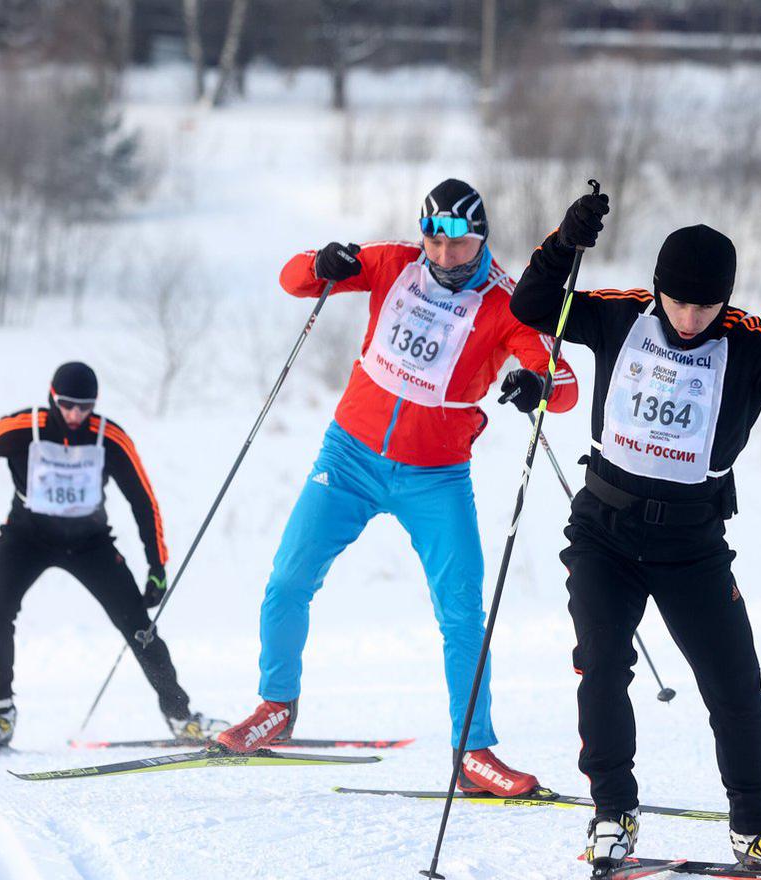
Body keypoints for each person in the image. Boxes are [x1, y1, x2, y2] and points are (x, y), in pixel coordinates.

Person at [508, 191, 761, 871]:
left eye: (706, 306)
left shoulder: (751, 345)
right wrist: (564, 243)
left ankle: (754, 827)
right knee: (603, 665)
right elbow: (530, 305)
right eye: (678, 302)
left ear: (727, 299)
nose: (690, 319)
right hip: (604, 532)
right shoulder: (621, 315)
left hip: (692, 546)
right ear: (658, 287)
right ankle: (613, 813)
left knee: (735, 685)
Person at [216, 179, 579, 797]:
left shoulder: (506, 301)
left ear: (482, 239)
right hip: (348, 459)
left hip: (435, 477)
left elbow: (563, 384)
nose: (443, 256)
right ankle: (275, 706)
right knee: (288, 580)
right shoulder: (393, 262)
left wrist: (537, 385)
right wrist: (321, 262)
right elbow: (293, 279)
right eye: (434, 241)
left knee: (462, 612)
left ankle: (474, 752)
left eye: (458, 244)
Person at [0, 361, 225, 748]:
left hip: (90, 542)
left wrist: (157, 565)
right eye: (67, 405)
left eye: (84, 407)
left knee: (139, 625)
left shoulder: (109, 437)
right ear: (53, 397)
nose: (74, 415)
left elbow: (143, 500)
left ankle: (181, 716)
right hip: (27, 537)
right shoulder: (22, 428)